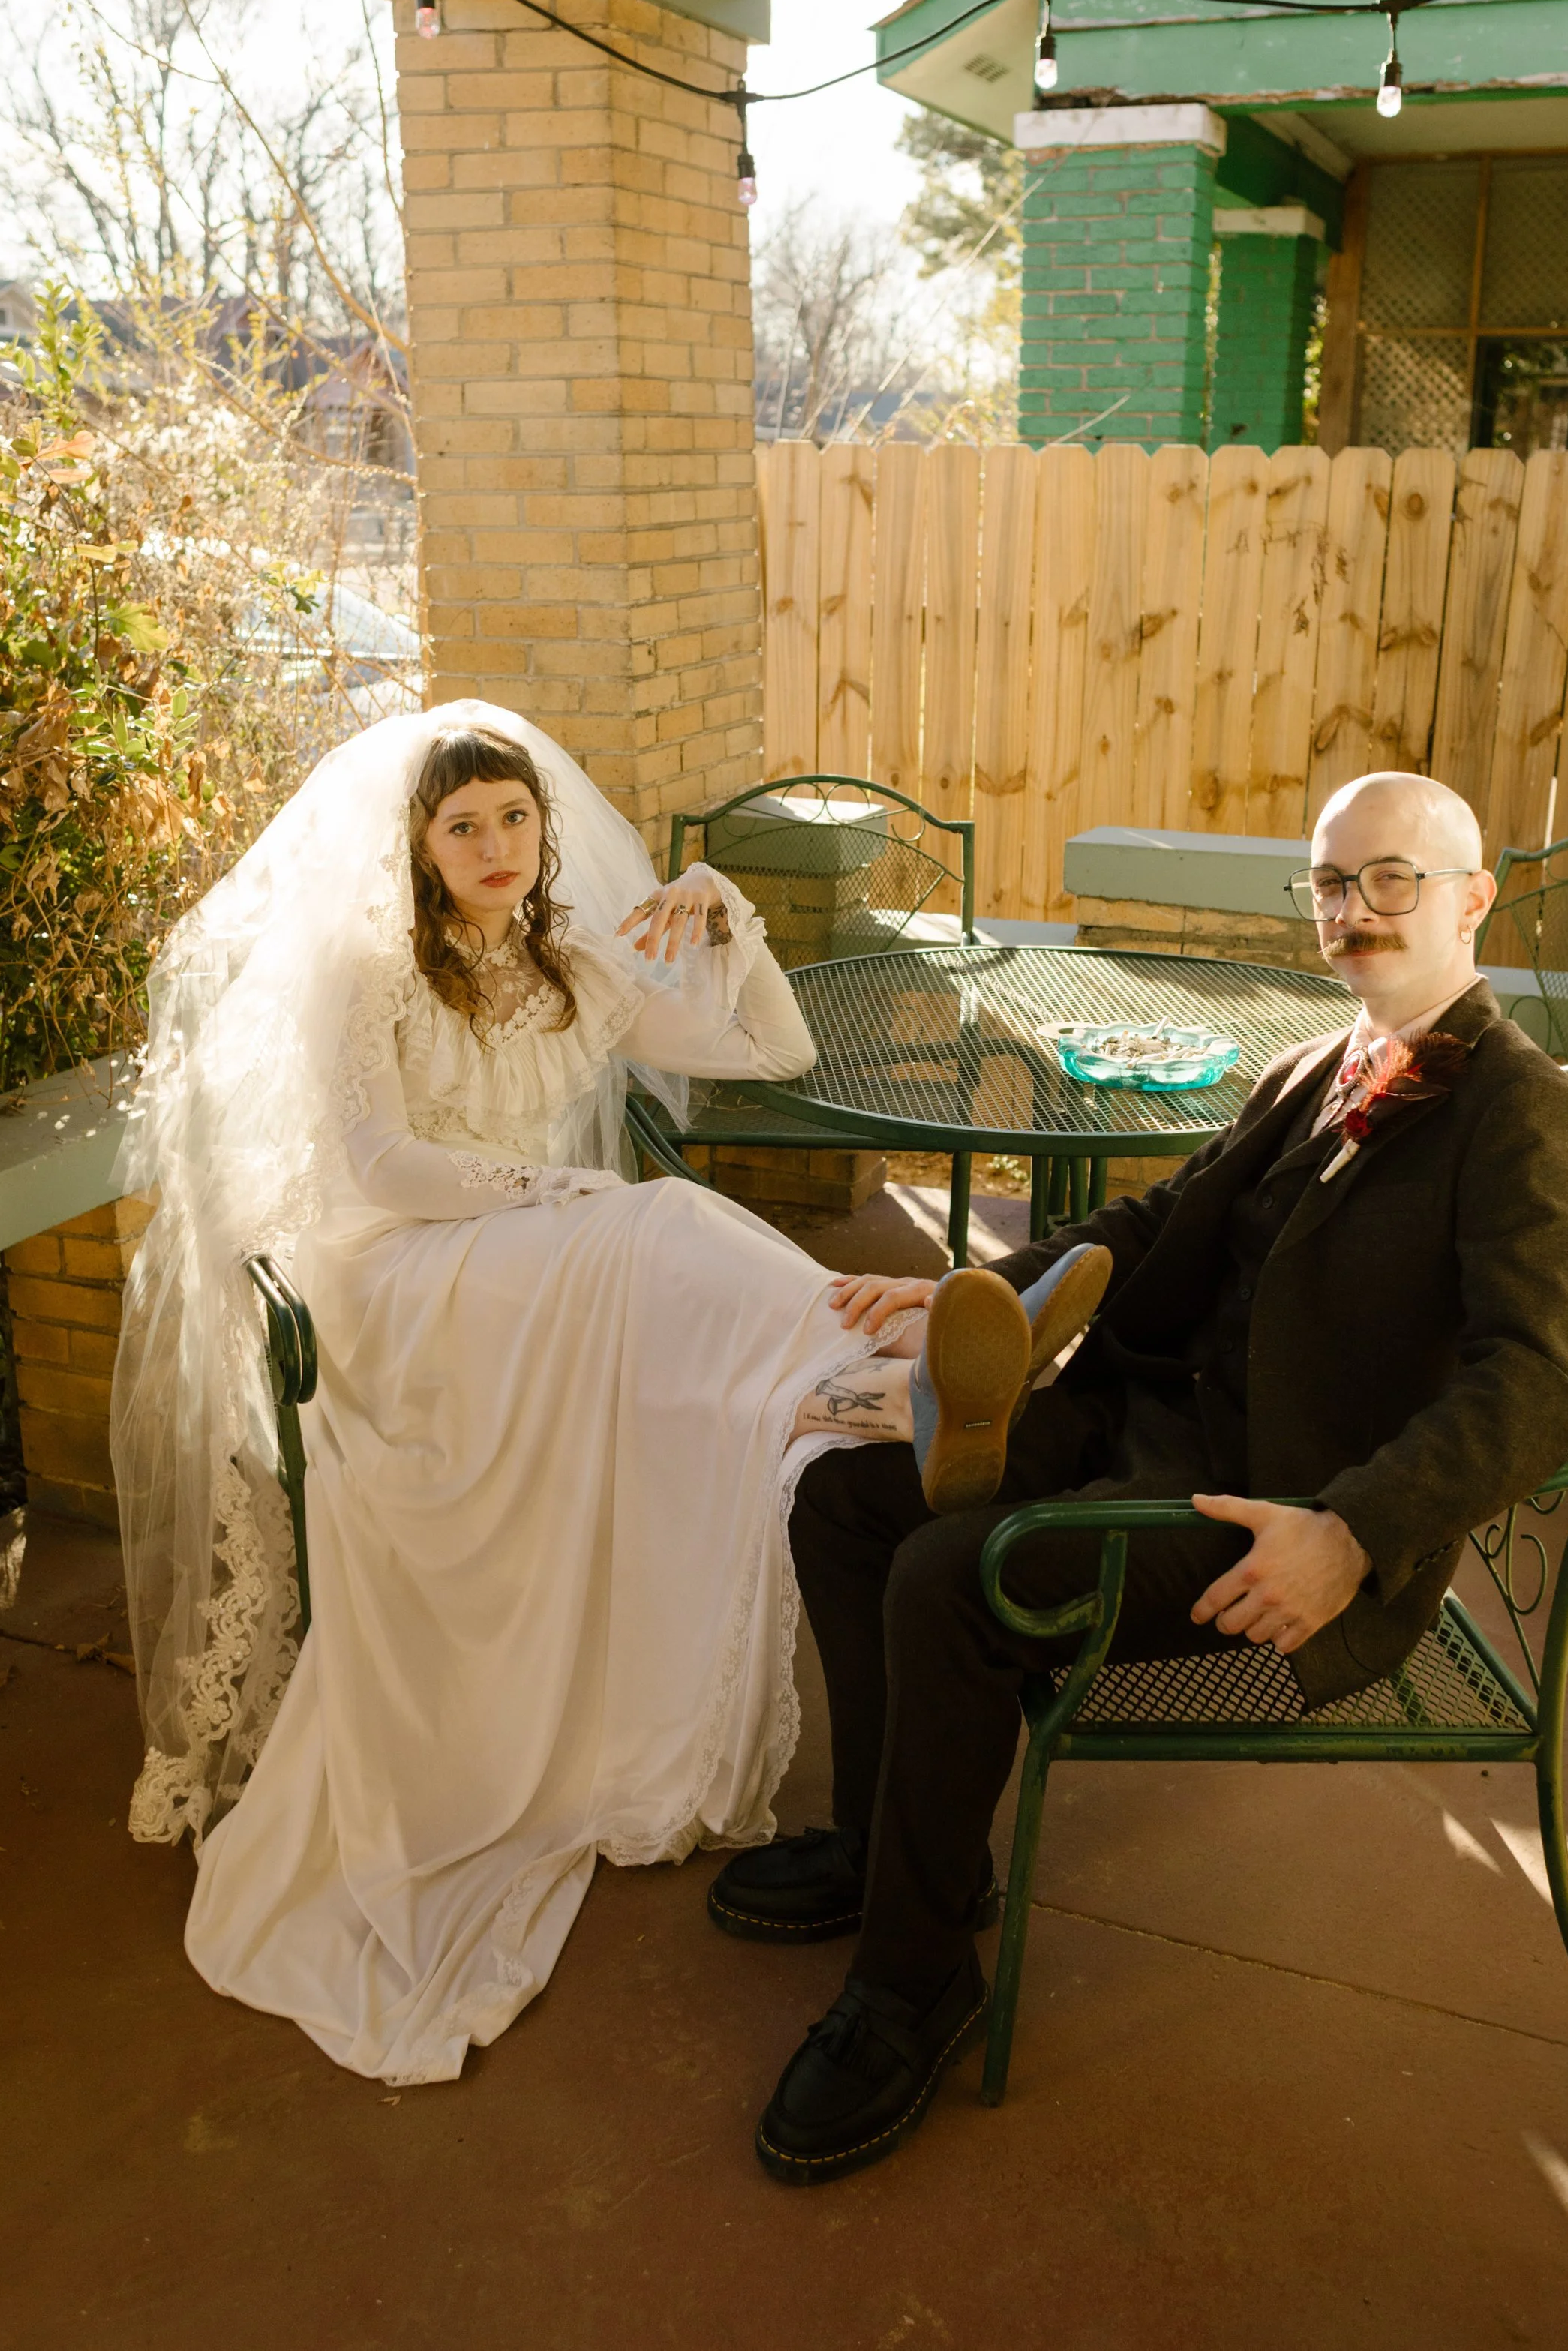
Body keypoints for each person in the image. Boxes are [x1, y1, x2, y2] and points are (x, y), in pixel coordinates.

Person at [113, 702, 1053, 2087]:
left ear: (545, 831)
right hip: (398, 1281)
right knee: (652, 1222)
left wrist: (727, 918)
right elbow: (378, 1166)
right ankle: (883, 1374)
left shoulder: (576, 963)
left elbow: (771, 1051)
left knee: (653, 1233)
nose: (495, 844)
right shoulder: (369, 970)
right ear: (419, 847)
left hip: (526, 1261)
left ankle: (868, 1383)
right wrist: (564, 1193)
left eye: (514, 818)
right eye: (463, 825)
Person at [717, 769, 1568, 2187]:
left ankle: (916, 1979)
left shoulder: (1525, 1115)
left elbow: (1546, 1384)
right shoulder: (1320, 1060)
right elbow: (1166, 1213)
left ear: (1474, 897)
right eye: (1331, 882)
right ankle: (889, 1841)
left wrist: (1354, 1530)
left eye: (1392, 879)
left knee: (953, 1575)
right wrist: (990, 1286)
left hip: (1271, 1511)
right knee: (845, 1497)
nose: (1354, 910)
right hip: (1156, 1414)